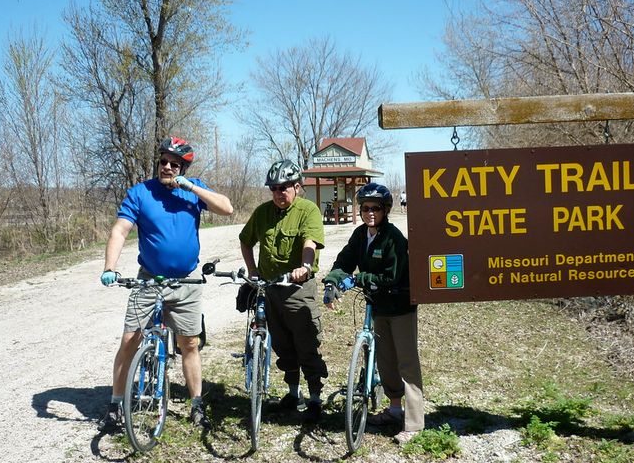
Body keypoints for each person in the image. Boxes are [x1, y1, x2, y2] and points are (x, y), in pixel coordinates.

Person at [99, 137, 233, 432]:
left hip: (186, 280)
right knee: (129, 340)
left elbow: (227, 209)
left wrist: (191, 188)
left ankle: (196, 405)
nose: (168, 167)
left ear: (183, 168)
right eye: (163, 161)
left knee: (189, 344)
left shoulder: (193, 189)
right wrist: (110, 267)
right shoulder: (140, 193)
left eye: (175, 164)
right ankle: (115, 404)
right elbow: (120, 231)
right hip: (149, 278)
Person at [323, 183, 424, 444]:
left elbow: (391, 276)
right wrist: (332, 282)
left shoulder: (394, 238)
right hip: (378, 305)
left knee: (406, 363)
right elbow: (344, 261)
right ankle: (394, 410)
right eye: (365, 208)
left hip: (400, 306)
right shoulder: (360, 235)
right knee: (386, 360)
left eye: (375, 208)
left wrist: (358, 279)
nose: (370, 213)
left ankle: (414, 424)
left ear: (385, 210)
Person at [239, 159, 327, 422]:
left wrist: (305, 266)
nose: (278, 193)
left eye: (284, 187)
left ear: (297, 187)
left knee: (306, 343)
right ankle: (293, 392)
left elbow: (310, 242)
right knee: (282, 344)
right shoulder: (262, 213)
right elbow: (245, 241)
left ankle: (314, 398)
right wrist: (252, 270)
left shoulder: (308, 210)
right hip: (270, 288)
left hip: (297, 288)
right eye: (274, 188)